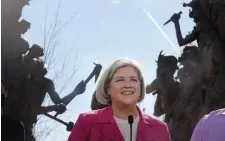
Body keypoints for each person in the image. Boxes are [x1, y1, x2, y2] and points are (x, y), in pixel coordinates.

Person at [68, 58, 172, 141]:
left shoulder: (160, 128)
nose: (127, 85)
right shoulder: (86, 122)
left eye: (133, 80)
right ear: (108, 88)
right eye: (120, 80)